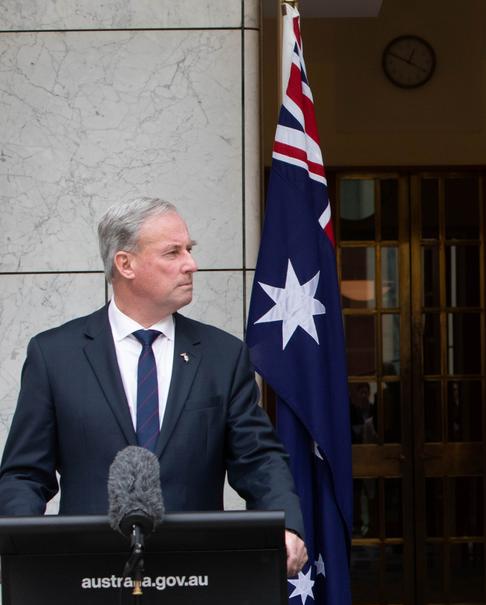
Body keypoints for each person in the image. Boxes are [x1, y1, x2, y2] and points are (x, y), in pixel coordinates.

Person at [0, 197, 308, 576]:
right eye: (173, 252)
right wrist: (21, 547)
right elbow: (24, 473)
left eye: (189, 250)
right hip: (84, 579)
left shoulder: (222, 356)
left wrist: (286, 525)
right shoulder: (55, 355)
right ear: (125, 264)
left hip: (196, 577)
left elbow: (258, 458)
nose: (190, 264)